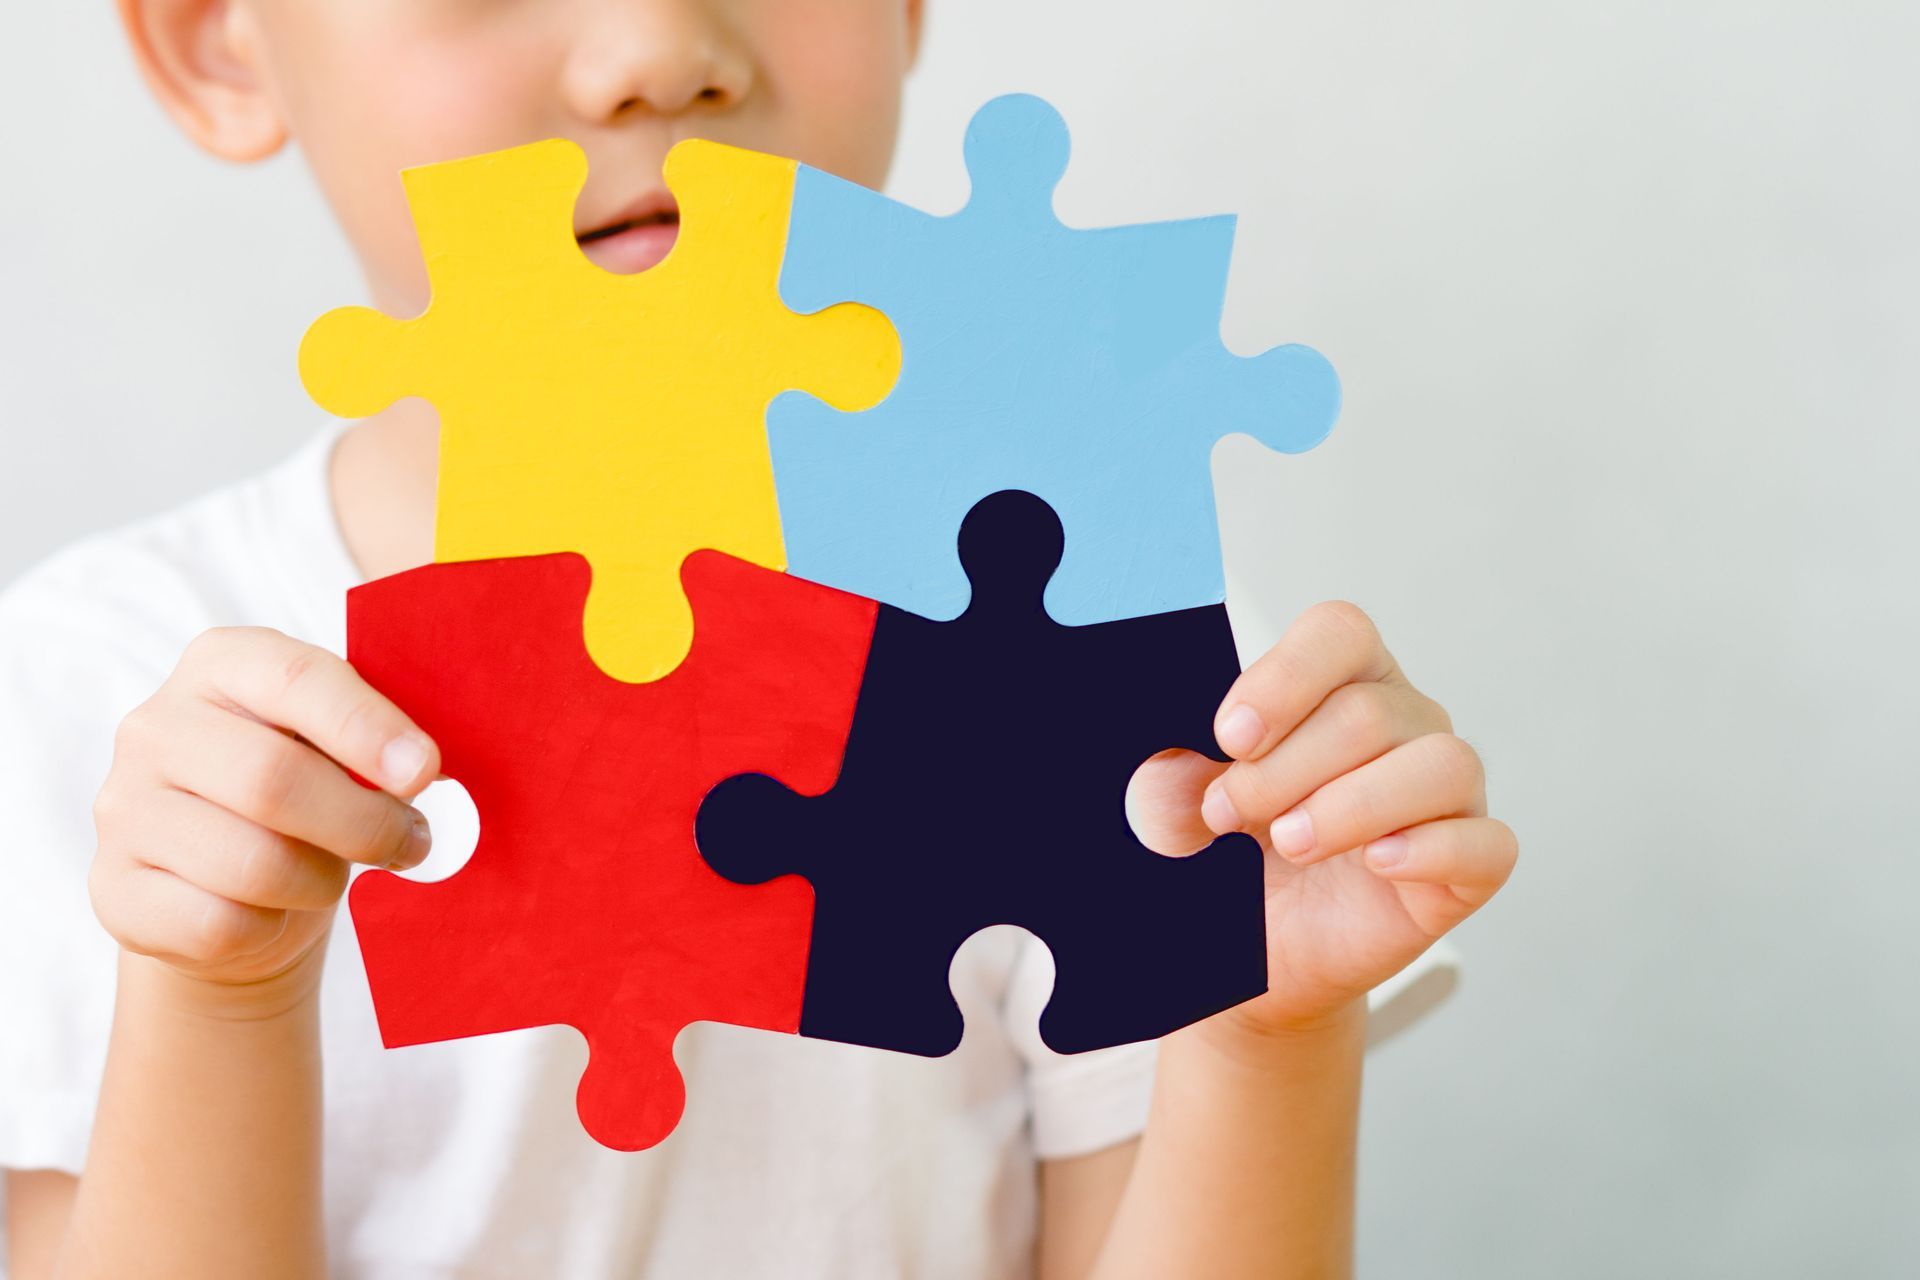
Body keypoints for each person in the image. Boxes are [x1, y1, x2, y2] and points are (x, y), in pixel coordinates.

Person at [0, 1, 1518, 1275]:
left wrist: (1260, 1034)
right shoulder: (87, 691)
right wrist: (220, 998)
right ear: (221, 46)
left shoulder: (1098, 643)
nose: (656, 50)